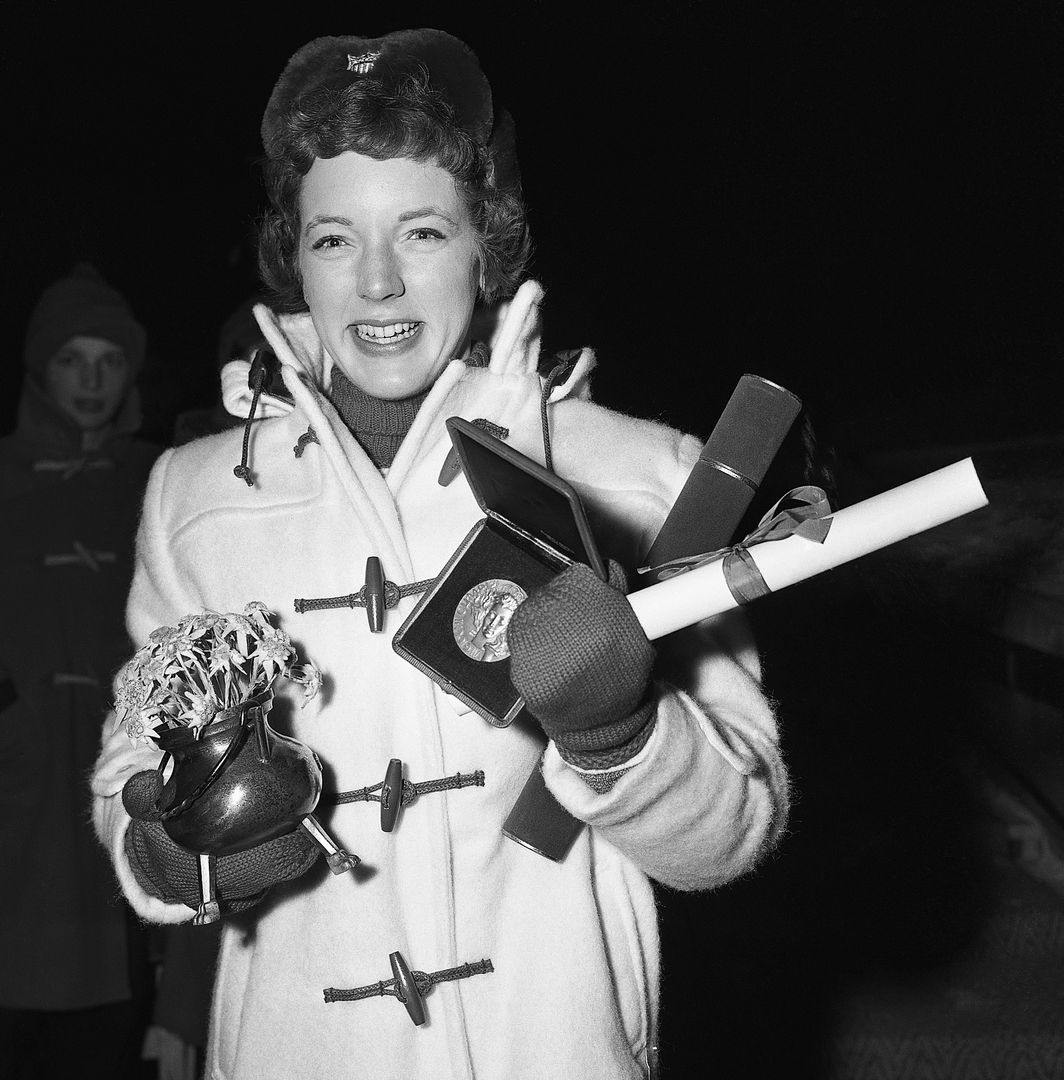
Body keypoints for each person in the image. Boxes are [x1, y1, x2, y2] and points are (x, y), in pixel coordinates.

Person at [91, 30, 788, 1079]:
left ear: (486, 240)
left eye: (420, 231)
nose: (376, 282)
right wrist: (169, 845)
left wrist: (620, 736)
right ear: (294, 251)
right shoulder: (192, 500)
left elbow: (735, 827)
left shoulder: (637, 480)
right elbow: (128, 771)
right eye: (335, 239)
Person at [0, 263, 160, 1078]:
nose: (93, 380)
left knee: (113, 1018)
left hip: (120, 778)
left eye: (111, 360)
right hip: (17, 791)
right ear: (40, 366)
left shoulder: (156, 479)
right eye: (73, 359)